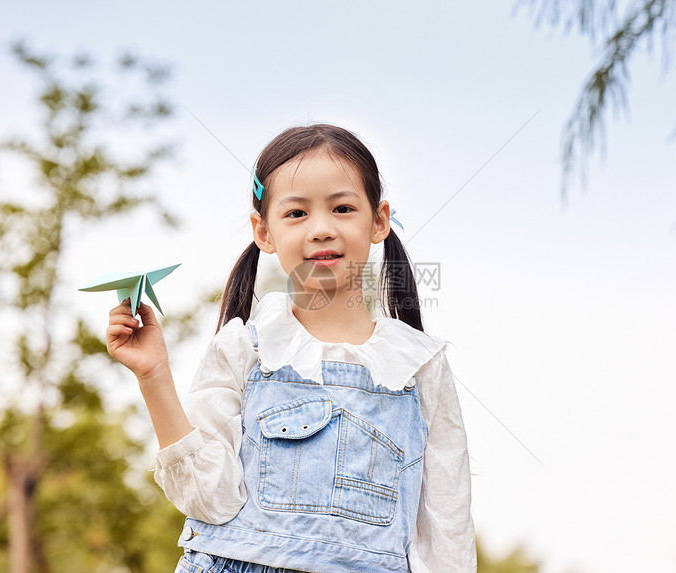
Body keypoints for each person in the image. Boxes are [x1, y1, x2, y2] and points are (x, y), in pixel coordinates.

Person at [106, 123, 476, 572]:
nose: (320, 229)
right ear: (263, 232)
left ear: (378, 220)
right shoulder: (245, 349)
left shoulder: (420, 364)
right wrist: (153, 376)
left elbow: (447, 530)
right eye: (296, 213)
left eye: (342, 208)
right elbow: (212, 500)